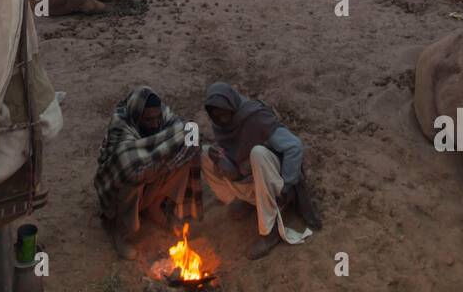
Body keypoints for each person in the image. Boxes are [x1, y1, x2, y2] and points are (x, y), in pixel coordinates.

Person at [200, 82, 321, 260]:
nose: (222, 120)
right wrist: (220, 158)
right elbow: (235, 162)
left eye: (224, 114)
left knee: (258, 153)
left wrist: (286, 185)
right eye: (216, 116)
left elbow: (294, 147)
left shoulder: (255, 117)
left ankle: (269, 232)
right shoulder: (220, 125)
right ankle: (246, 202)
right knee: (203, 154)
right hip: (249, 178)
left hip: (276, 186)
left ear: (232, 106)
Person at [94, 87, 201, 260]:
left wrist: (164, 164)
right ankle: (122, 231)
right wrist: (161, 163)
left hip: (151, 173)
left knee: (188, 150)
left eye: (157, 117)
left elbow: (187, 133)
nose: (155, 123)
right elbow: (130, 170)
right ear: (137, 116)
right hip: (119, 188)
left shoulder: (162, 114)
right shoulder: (120, 127)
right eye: (148, 119)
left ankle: (155, 206)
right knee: (131, 176)